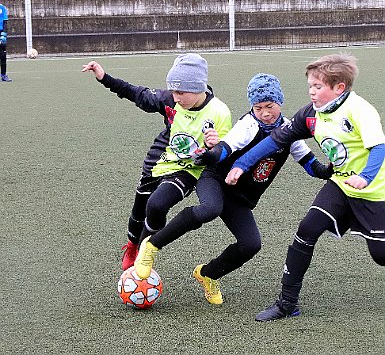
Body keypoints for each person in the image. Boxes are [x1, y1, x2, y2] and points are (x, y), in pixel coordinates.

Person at [133, 73, 333, 305]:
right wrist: (209, 155)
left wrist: (327, 170)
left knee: (251, 244)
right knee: (210, 208)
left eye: (269, 106)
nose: (265, 113)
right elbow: (226, 148)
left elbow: (309, 164)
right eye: (258, 108)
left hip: (240, 196)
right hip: (215, 178)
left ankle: (207, 274)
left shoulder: (289, 130)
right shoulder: (248, 124)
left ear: (280, 102)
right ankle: (151, 245)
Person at [225, 54, 385, 321]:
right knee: (307, 230)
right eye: (310, 85)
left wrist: (366, 178)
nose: (311, 91)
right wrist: (242, 163)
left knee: (381, 255)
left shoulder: (360, 110)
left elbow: (379, 147)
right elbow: (277, 139)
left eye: (318, 86)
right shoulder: (310, 116)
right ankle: (287, 304)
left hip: (375, 192)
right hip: (341, 186)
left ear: (339, 88)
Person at [82, 53, 232, 271]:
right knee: (139, 210)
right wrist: (104, 77)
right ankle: (133, 245)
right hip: (158, 161)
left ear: (199, 87)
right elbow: (137, 93)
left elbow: (224, 152)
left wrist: (213, 146)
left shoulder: (219, 112)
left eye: (181, 92)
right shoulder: (170, 100)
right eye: (173, 91)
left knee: (157, 204)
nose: (176, 97)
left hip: (188, 169)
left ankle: (144, 253)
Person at [0, 3, 11, 82]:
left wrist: (3, 34)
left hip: (0, 32)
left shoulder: (2, 8)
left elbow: (5, 22)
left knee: (3, 55)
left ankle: (3, 75)